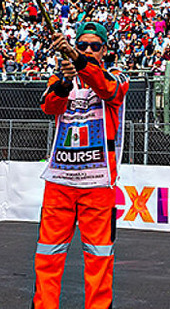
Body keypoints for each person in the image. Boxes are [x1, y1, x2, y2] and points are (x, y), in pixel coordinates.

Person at [33, 22, 128, 309]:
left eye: (94, 46)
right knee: (48, 255)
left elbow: (107, 89)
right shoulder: (58, 79)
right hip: (59, 181)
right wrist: (64, 83)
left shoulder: (117, 77)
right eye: (83, 45)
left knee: (99, 258)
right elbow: (50, 107)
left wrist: (75, 57)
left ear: (105, 51)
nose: (88, 49)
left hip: (98, 183)